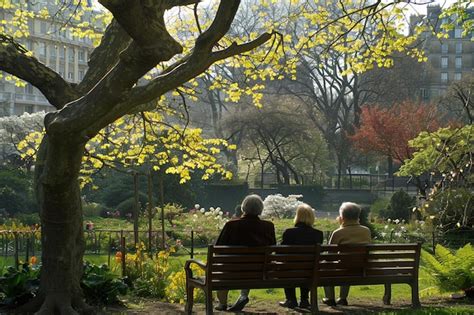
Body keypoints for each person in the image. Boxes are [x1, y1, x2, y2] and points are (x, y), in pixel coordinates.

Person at [214, 194, 276, 312]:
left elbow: (218, 249)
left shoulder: (231, 225)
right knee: (251, 266)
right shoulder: (268, 226)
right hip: (259, 271)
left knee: (225, 268)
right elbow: (272, 248)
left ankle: (222, 304)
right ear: (261, 209)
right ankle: (243, 295)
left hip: (231, 271)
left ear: (243, 208)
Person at [323, 202, 371, 307]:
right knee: (349, 264)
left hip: (344, 268)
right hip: (361, 268)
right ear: (358, 216)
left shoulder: (338, 233)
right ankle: (342, 298)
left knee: (326, 267)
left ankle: (330, 298)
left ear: (342, 217)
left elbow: (330, 255)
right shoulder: (366, 231)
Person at [279, 204, 324, 309]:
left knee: (286, 267)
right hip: (310, 270)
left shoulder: (289, 232)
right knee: (307, 266)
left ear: (297, 216)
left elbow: (280, 253)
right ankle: (304, 299)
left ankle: (291, 299)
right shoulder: (318, 234)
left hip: (290, 271)